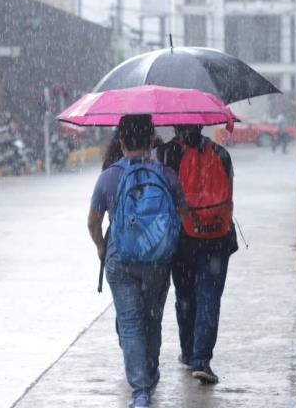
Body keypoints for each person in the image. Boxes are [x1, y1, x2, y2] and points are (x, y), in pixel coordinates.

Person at [87, 115, 187, 408]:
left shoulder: (109, 177)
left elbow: (93, 222)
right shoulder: (166, 174)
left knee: (129, 323)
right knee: (152, 318)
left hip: (120, 259)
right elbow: (182, 214)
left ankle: (141, 391)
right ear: (152, 140)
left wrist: (102, 247)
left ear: (121, 141)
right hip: (157, 259)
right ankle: (151, 369)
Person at [157, 125, 238, 384]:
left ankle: (189, 351)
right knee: (209, 297)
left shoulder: (165, 154)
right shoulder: (222, 154)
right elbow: (230, 199)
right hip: (217, 238)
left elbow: (162, 198)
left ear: (175, 125)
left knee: (185, 297)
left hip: (182, 240)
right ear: (202, 124)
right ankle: (202, 359)